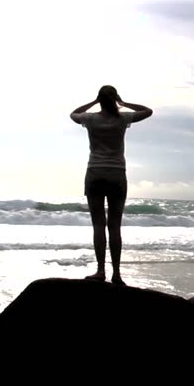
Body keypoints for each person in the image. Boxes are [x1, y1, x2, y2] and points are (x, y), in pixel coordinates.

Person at [70, 85, 153, 284]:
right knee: (115, 226)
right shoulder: (122, 118)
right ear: (115, 98)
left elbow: (74, 114)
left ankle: (100, 271)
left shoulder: (90, 119)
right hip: (117, 174)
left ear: (100, 99)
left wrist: (94, 102)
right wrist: (123, 103)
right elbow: (148, 111)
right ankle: (116, 274)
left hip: (95, 172)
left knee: (98, 225)